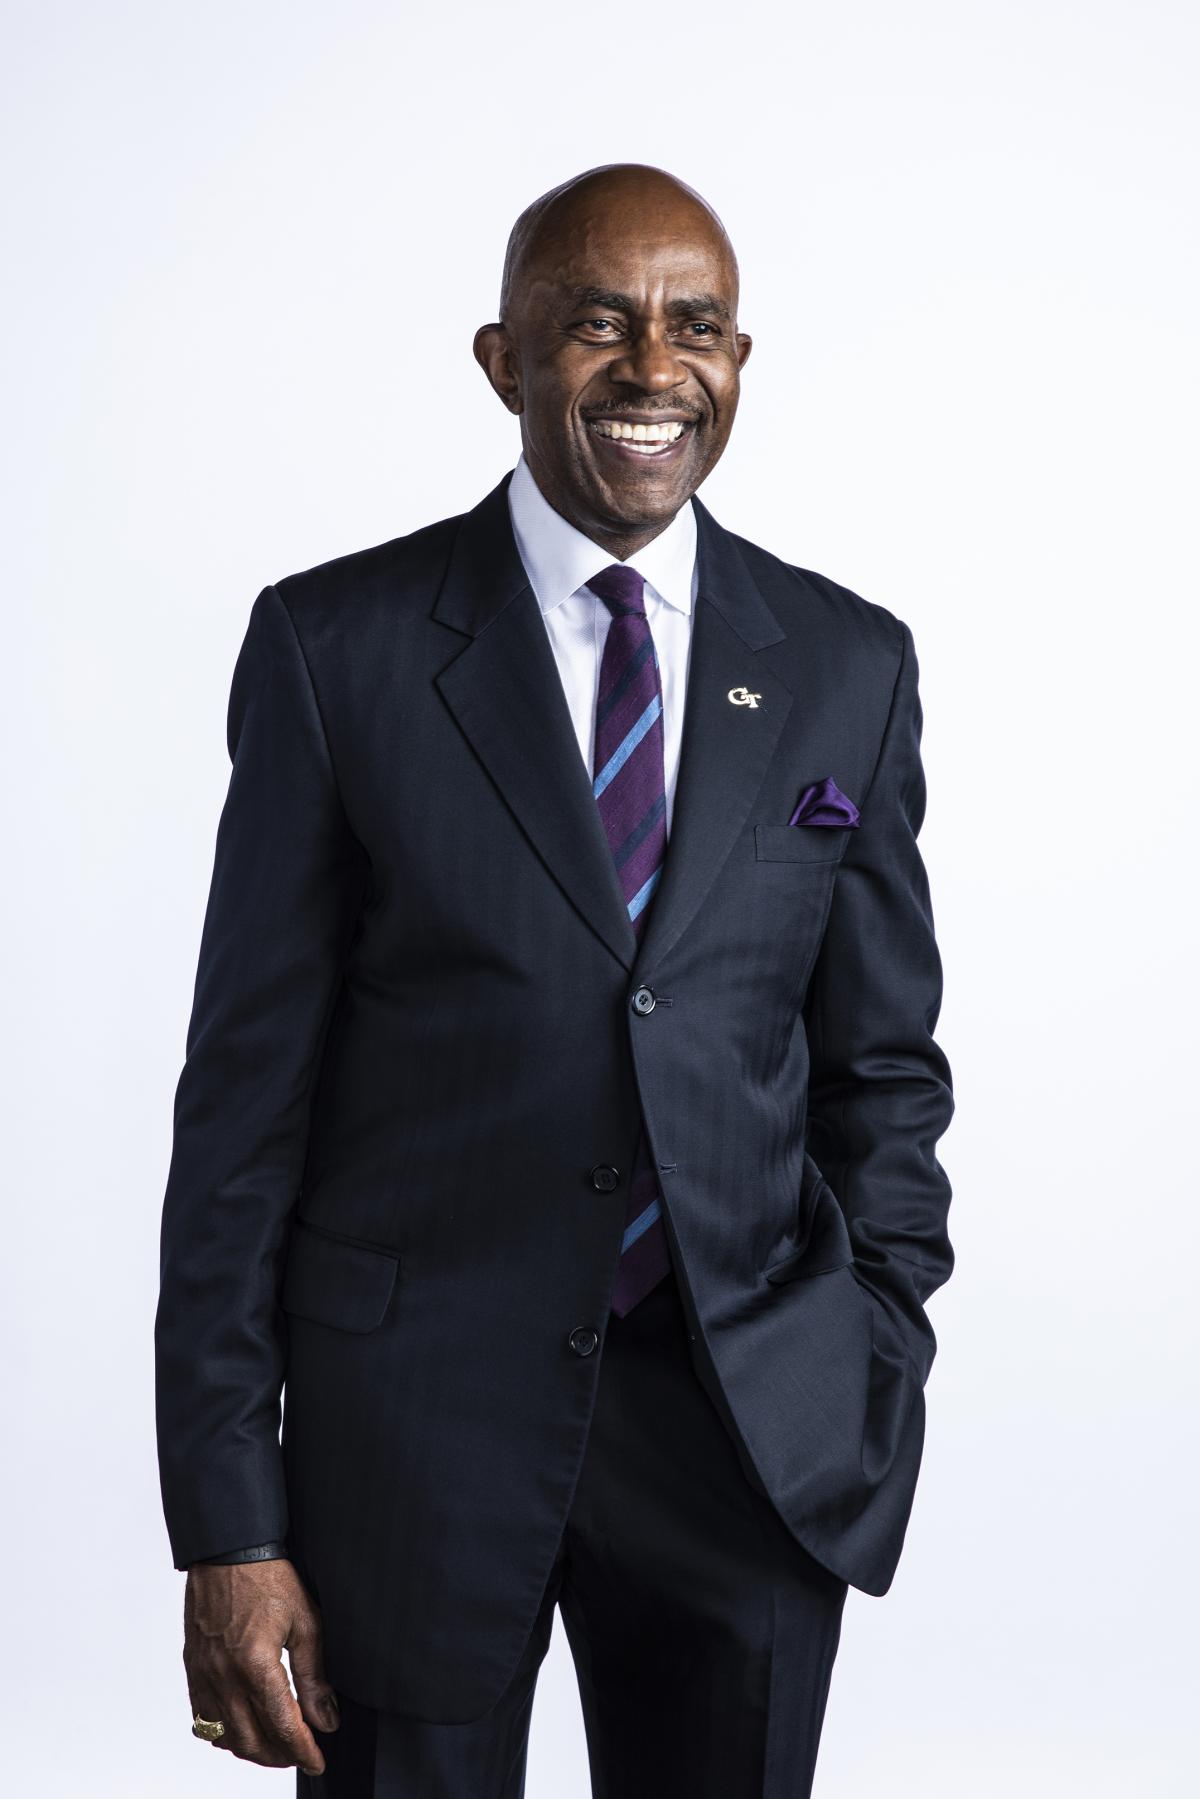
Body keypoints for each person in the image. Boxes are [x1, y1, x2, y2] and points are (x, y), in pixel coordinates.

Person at [155, 161, 955, 1799]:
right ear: (501, 358)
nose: (655, 370)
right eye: (598, 324)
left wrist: (871, 1350)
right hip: (412, 1435)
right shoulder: (339, 651)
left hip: (746, 1430)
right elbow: (242, 1113)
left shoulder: (847, 667)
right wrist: (230, 1521)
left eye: (698, 328)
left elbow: (885, 1069)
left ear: (740, 363)